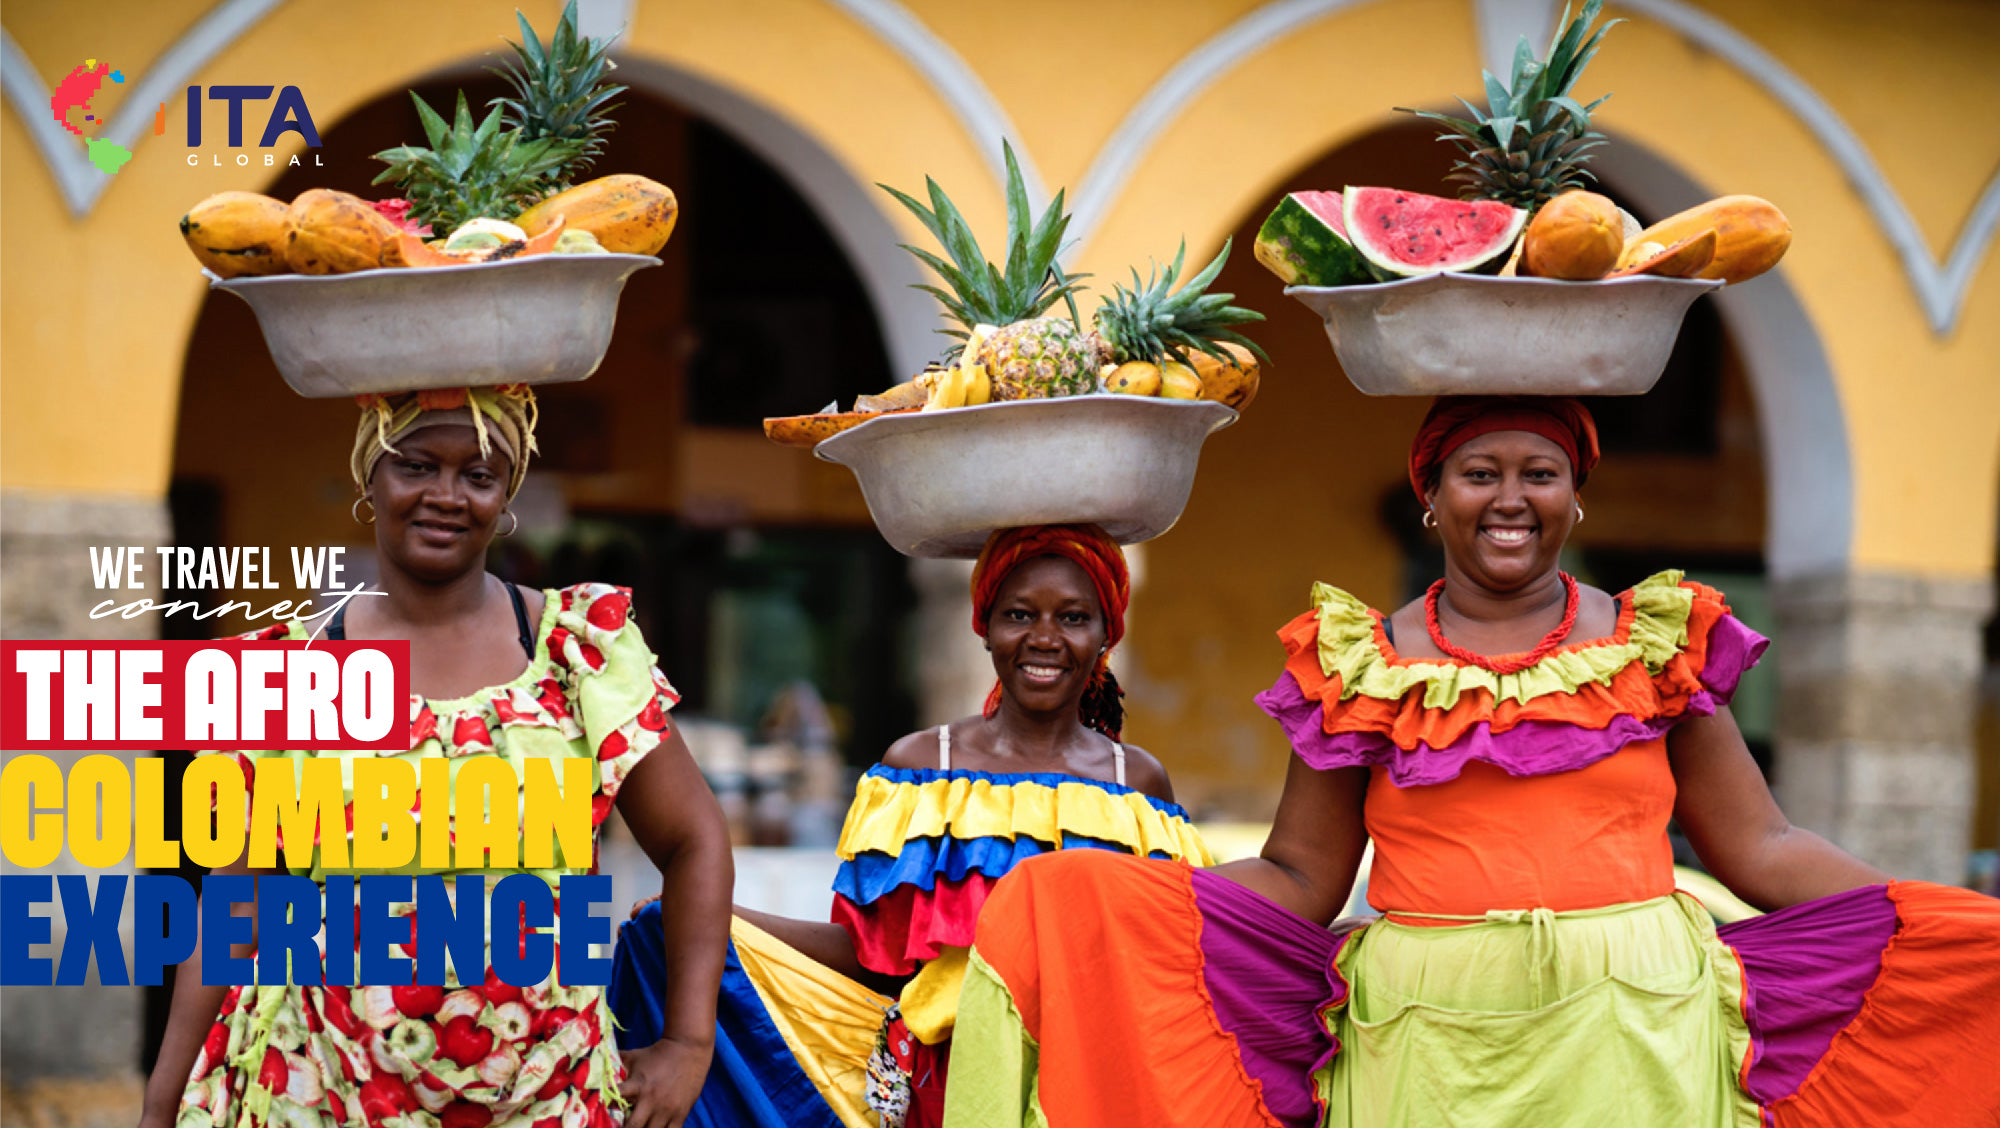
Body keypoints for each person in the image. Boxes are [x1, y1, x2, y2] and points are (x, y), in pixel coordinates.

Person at [946, 396, 2000, 1127]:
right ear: (1432, 495)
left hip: (1633, 1034)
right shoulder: (1358, 663)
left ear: (1574, 495)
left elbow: (1761, 845)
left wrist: (1926, 922)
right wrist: (1105, 900)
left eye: (1540, 473)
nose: (1510, 498)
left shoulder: (1656, 643)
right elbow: (1304, 879)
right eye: (1479, 472)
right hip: (1424, 1048)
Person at [141, 385, 734, 1129]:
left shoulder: (571, 654)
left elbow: (695, 837)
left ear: (506, 493)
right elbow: (237, 903)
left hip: (543, 1096)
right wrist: (162, 1100)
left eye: (478, 475)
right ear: (371, 479)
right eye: (416, 465)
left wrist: (688, 1039)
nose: (446, 496)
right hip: (321, 1087)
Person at [610, 523, 1212, 1127]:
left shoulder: (1135, 783)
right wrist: (711, 917)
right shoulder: (921, 768)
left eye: (1074, 618)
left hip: (1092, 1088)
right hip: (945, 1089)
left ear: (1109, 632)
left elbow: (1167, 966)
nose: (1044, 639)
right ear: (984, 627)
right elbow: (875, 957)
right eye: (1020, 614)